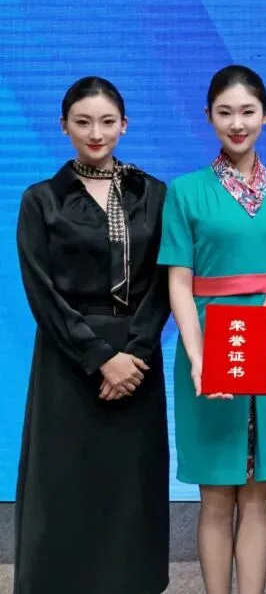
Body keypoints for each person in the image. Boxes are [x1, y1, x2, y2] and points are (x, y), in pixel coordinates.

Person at [158, 65, 266, 594]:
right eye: (225, 113)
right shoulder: (185, 192)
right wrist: (197, 356)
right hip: (207, 345)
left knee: (258, 495)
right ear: (208, 117)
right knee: (216, 496)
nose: (237, 123)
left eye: (248, 112)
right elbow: (179, 284)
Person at [13, 77, 171, 594]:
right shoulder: (41, 200)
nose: (95, 133)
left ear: (125, 124)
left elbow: (166, 281)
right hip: (68, 359)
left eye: (107, 122)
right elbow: (41, 291)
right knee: (64, 482)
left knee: (131, 485)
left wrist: (135, 353)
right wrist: (100, 357)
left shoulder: (153, 194)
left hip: (138, 360)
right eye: (83, 122)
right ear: (64, 126)